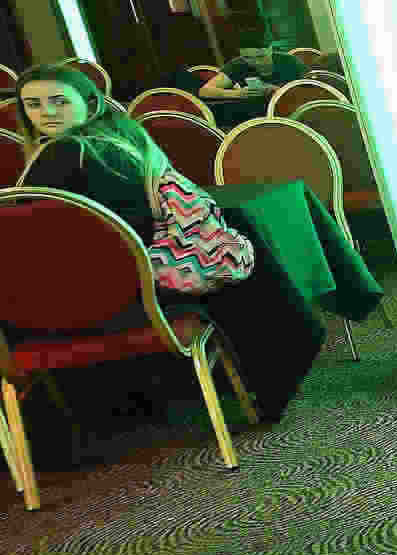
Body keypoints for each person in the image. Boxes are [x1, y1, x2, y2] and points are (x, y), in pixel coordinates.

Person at [13, 63, 328, 424]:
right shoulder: (127, 137)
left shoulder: (63, 154)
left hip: (116, 298)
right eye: (33, 105)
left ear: (90, 102)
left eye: (59, 101)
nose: (47, 113)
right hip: (155, 279)